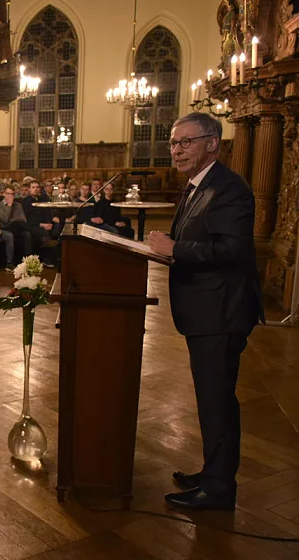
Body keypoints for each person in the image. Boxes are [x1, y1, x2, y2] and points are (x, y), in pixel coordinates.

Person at [148, 112, 265, 511]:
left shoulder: (229, 188)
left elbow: (232, 250)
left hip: (221, 311)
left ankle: (218, 488)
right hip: (206, 310)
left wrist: (174, 249)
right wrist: (171, 243)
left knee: (217, 399)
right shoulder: (198, 185)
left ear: (212, 143)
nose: (176, 150)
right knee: (210, 398)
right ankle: (214, 470)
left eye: (186, 142)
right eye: (173, 143)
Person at [0, 186, 34, 260]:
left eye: (12, 194)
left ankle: (28, 259)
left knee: (27, 234)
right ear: (3, 194)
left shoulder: (18, 205)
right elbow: (5, 220)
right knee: (17, 223)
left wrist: (15, 220)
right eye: (8, 194)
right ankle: (35, 231)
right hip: (5, 228)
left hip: (18, 228)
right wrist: (9, 205)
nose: (10, 196)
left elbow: (23, 220)